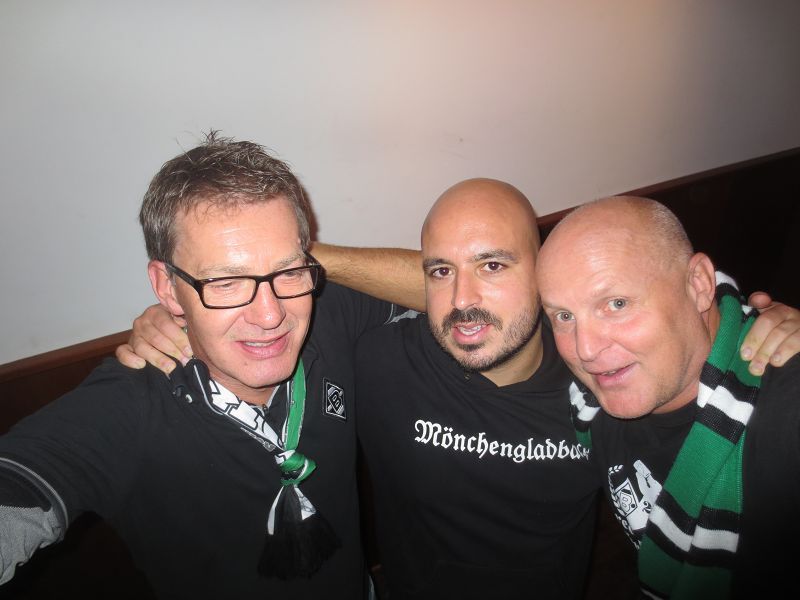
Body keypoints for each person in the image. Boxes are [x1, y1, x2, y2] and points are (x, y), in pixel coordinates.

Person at [118, 179, 800, 599]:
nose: (591, 343)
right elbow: (259, 316)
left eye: (495, 265)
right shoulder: (379, 352)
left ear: (537, 280)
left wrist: (766, 327)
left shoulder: (594, 382)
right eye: (440, 272)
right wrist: (217, 294)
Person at [0, 133, 404, 598]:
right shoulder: (126, 408)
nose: (269, 315)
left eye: (288, 271)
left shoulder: (328, 310)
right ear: (167, 288)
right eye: (226, 282)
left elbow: (450, 290)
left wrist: (303, 256)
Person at [536, 196, 800, 599]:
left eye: (616, 304)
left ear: (699, 285)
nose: (584, 349)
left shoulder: (784, 413)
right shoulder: (588, 401)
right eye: (564, 316)